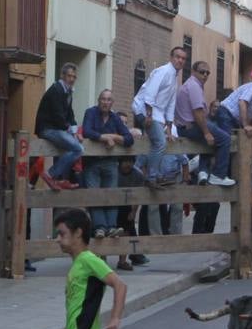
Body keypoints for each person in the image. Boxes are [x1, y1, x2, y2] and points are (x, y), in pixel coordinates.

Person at [81, 89, 134, 239]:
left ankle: (111, 227)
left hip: (110, 162)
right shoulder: (90, 113)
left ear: (112, 103)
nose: (106, 102)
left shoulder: (115, 118)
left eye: (109, 100)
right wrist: (104, 138)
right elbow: (86, 132)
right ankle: (100, 228)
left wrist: (113, 137)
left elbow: (129, 139)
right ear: (99, 101)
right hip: (92, 163)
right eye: (103, 99)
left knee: (111, 195)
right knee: (95, 195)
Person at [131, 47, 187, 188]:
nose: (180, 60)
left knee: (159, 142)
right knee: (160, 143)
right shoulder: (164, 71)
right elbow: (150, 92)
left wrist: (169, 130)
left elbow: (170, 104)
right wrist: (148, 115)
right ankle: (151, 177)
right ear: (171, 57)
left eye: (183, 58)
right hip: (144, 109)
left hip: (158, 114)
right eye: (177, 57)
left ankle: (147, 174)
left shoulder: (174, 77)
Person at [176, 61, 233, 187]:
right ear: (193, 71)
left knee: (212, 140)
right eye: (202, 72)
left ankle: (203, 171)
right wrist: (206, 132)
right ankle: (218, 175)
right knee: (225, 139)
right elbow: (197, 112)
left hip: (186, 127)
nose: (205, 75)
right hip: (191, 127)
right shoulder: (194, 86)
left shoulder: (191, 85)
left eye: (208, 73)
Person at [34, 63, 83, 189]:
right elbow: (58, 116)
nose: (71, 79)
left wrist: (75, 129)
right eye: (69, 76)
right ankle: (51, 174)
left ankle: (60, 179)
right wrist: (70, 131)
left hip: (55, 128)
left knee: (71, 148)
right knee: (78, 149)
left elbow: (69, 113)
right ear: (62, 76)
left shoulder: (67, 91)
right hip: (47, 129)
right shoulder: (56, 90)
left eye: (74, 77)